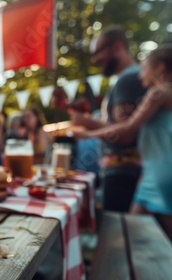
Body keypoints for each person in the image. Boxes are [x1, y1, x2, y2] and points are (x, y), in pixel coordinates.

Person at [75, 44, 172, 239]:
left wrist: (89, 134)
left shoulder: (158, 93)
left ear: (160, 67)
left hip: (162, 172)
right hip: (153, 171)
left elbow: (129, 126)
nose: (140, 74)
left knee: (128, 233)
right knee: (129, 231)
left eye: (145, 68)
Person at [69, 26, 148, 212]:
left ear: (117, 47)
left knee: (119, 239)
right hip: (128, 174)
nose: (94, 60)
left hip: (124, 175)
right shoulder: (130, 78)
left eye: (98, 52)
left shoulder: (127, 81)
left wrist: (87, 125)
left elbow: (125, 135)